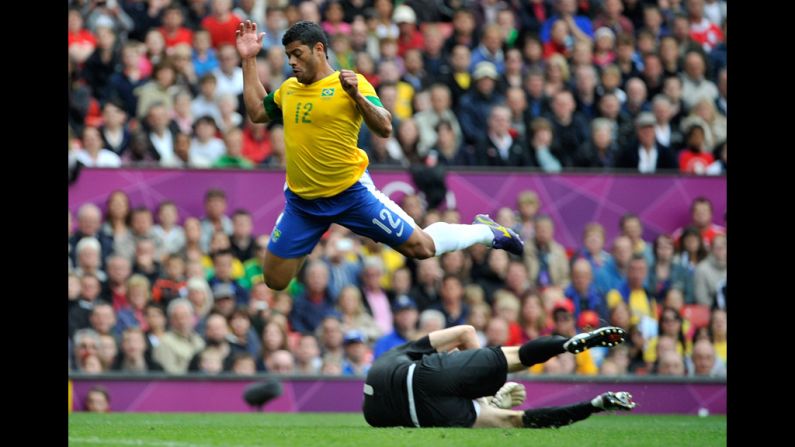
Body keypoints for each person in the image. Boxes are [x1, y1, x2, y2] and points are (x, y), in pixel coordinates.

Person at [235, 20, 524, 291]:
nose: (291, 62)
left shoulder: (352, 83)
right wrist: (248, 59)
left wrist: (357, 98)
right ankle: (307, 237)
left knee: (422, 248)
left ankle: (486, 232)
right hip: (304, 204)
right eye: (288, 56)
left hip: (351, 194)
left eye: (297, 54)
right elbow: (258, 111)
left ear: (319, 49)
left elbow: (385, 127)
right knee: (275, 280)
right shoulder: (290, 89)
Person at [362, 324, 634, 428]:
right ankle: (565, 344)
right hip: (424, 376)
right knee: (515, 356)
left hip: (395, 403)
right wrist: (484, 391)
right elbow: (466, 333)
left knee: (512, 420)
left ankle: (597, 404)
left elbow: (518, 419)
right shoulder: (402, 352)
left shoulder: (385, 364)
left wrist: (487, 399)